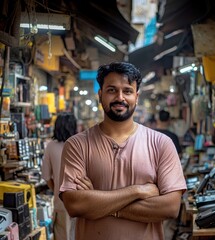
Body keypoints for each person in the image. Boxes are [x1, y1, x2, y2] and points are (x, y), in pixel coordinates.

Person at [59, 62, 187, 240]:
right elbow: (75, 205)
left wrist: (99, 202)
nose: (120, 97)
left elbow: (171, 207)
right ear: (100, 94)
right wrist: (137, 191)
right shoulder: (77, 145)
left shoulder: (161, 143)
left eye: (127, 91)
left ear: (137, 96)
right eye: (112, 90)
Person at [41, 112, 77, 240]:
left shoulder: (51, 146)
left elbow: (45, 175)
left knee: (63, 235)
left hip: (61, 202)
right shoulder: (81, 145)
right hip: (83, 201)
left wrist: (56, 189)